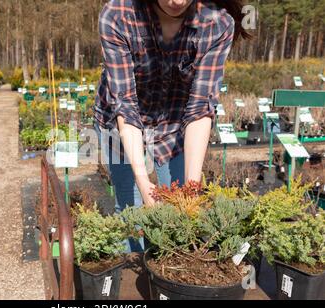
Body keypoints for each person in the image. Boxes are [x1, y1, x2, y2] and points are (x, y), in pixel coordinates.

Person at [94, 0, 250, 215]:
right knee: (133, 209)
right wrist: (143, 181)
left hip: (175, 124)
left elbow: (200, 108)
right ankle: (132, 247)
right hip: (120, 124)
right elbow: (125, 106)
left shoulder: (217, 23)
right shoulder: (118, 15)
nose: (178, 1)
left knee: (178, 205)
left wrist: (192, 191)